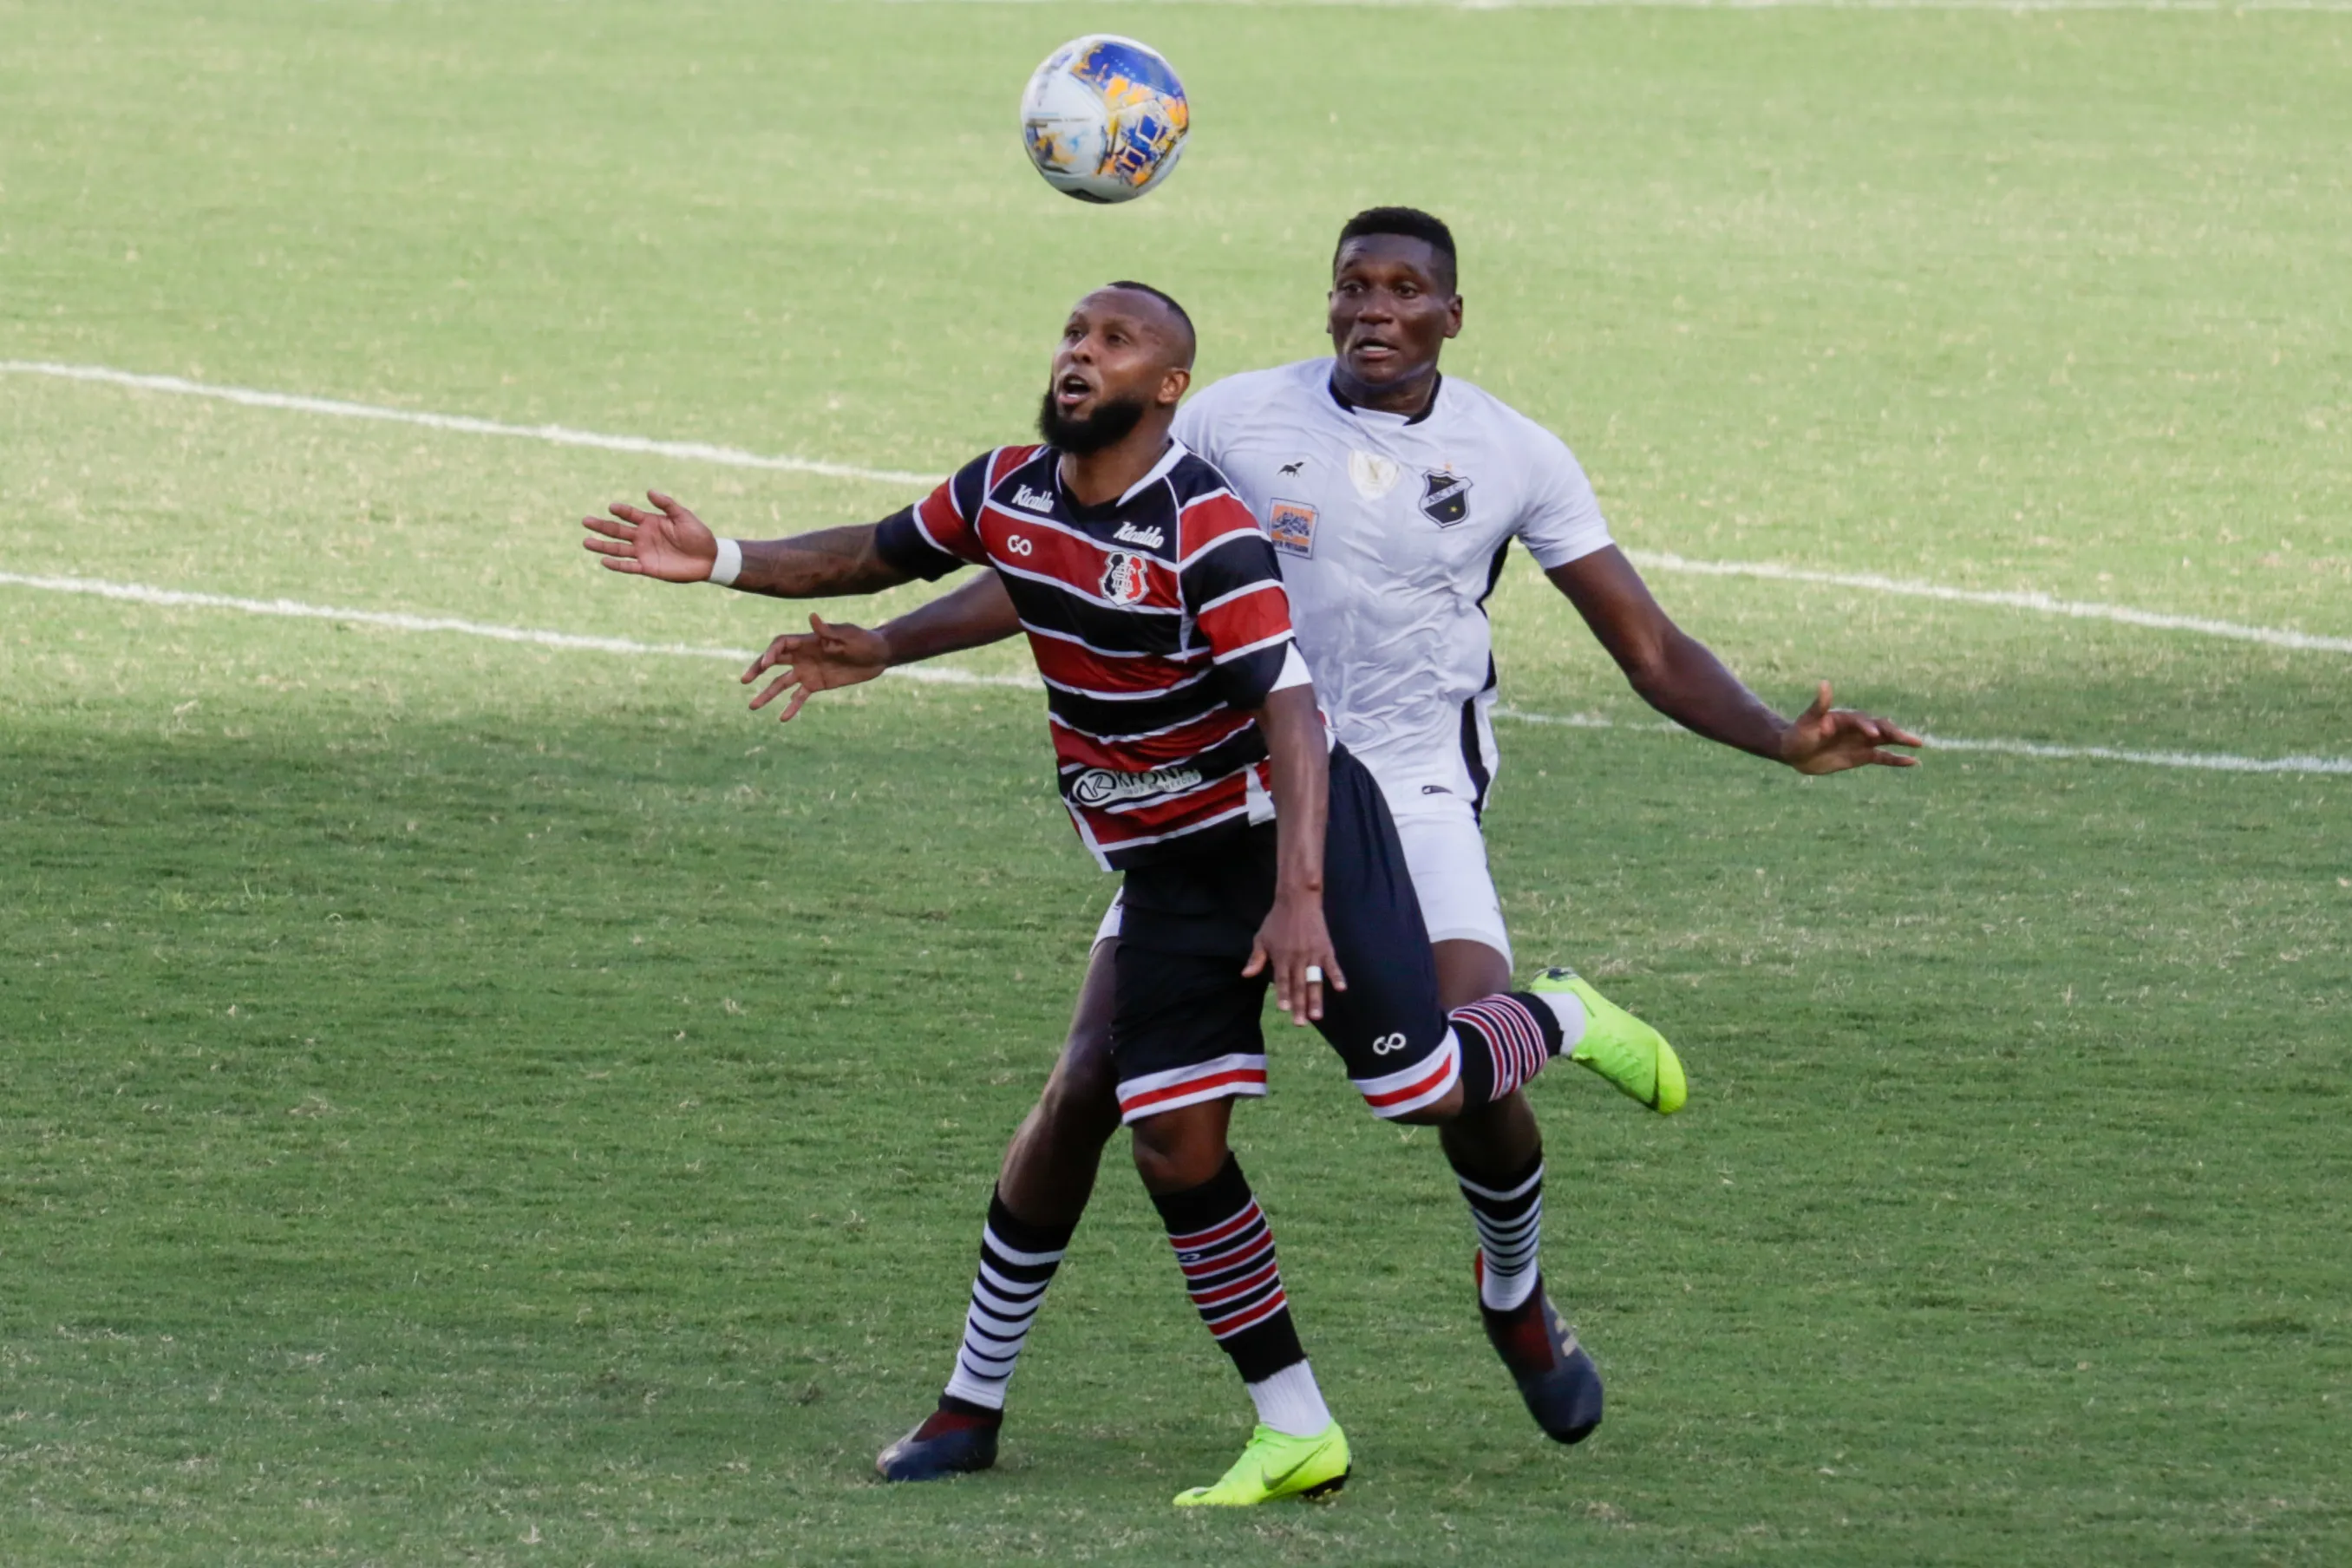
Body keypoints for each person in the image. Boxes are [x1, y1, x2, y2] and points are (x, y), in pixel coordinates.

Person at [735, 209, 1924, 1484]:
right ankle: (971, 1404)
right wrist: (895, 640)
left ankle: (1514, 1287)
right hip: (1218, 784)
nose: (1373, 309)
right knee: (1093, 1083)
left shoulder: (1516, 454)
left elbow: (1649, 646)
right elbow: (1078, 554)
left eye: (1404, 290)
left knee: (1462, 1079)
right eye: (1353, 286)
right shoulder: (1233, 419)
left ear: (1449, 317)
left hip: (1403, 789)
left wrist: (1773, 739)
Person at [578, 279, 1672, 1506]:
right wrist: (724, 560)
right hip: (1168, 864)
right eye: (1070, 334)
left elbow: (1296, 713)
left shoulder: (1206, 526)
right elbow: (873, 554)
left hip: (1288, 832)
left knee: (1416, 1088)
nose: (1077, 354)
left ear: (1167, 389)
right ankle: (1293, 1425)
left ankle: (1563, 1015)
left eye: (1112, 341)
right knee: (1169, 1140)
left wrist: (1300, 897)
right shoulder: (1005, 486)